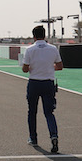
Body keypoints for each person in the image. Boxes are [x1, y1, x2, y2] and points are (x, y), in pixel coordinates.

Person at [20, 25, 63, 153]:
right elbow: (60, 66)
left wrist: (33, 68)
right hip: (48, 83)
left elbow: (25, 68)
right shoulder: (53, 49)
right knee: (49, 113)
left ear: (34, 36)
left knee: (32, 112)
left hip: (34, 83)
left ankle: (33, 138)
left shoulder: (30, 50)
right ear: (44, 35)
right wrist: (50, 68)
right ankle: (53, 136)